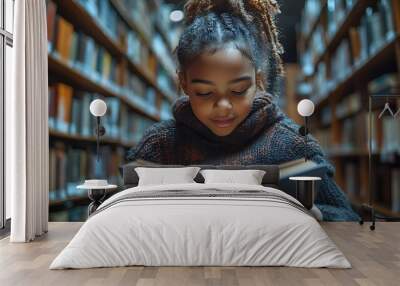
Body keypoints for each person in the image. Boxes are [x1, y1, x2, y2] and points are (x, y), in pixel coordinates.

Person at [127, 0, 359, 221]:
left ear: (257, 79)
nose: (223, 107)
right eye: (205, 93)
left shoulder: (293, 145)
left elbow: (347, 218)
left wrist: (316, 214)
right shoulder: (159, 145)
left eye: (238, 90)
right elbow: (119, 212)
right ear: (184, 82)